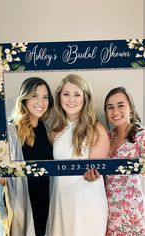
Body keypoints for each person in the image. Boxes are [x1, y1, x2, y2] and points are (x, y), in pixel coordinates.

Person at [84, 86, 145, 236]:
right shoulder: (106, 136)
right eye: (110, 107)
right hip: (106, 210)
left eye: (121, 105)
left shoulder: (141, 137)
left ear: (131, 108)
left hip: (131, 210)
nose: (115, 112)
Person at [0, 77, 54, 236]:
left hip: (45, 202)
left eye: (45, 97)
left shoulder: (46, 129)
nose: (41, 102)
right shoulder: (11, 132)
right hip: (22, 203)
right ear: (24, 98)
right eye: (35, 95)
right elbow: (4, 181)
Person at [45, 74, 110, 236]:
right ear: (59, 97)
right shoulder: (55, 130)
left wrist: (94, 173)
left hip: (87, 201)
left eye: (77, 94)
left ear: (85, 98)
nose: (71, 100)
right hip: (60, 199)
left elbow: (98, 171)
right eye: (66, 94)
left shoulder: (96, 129)